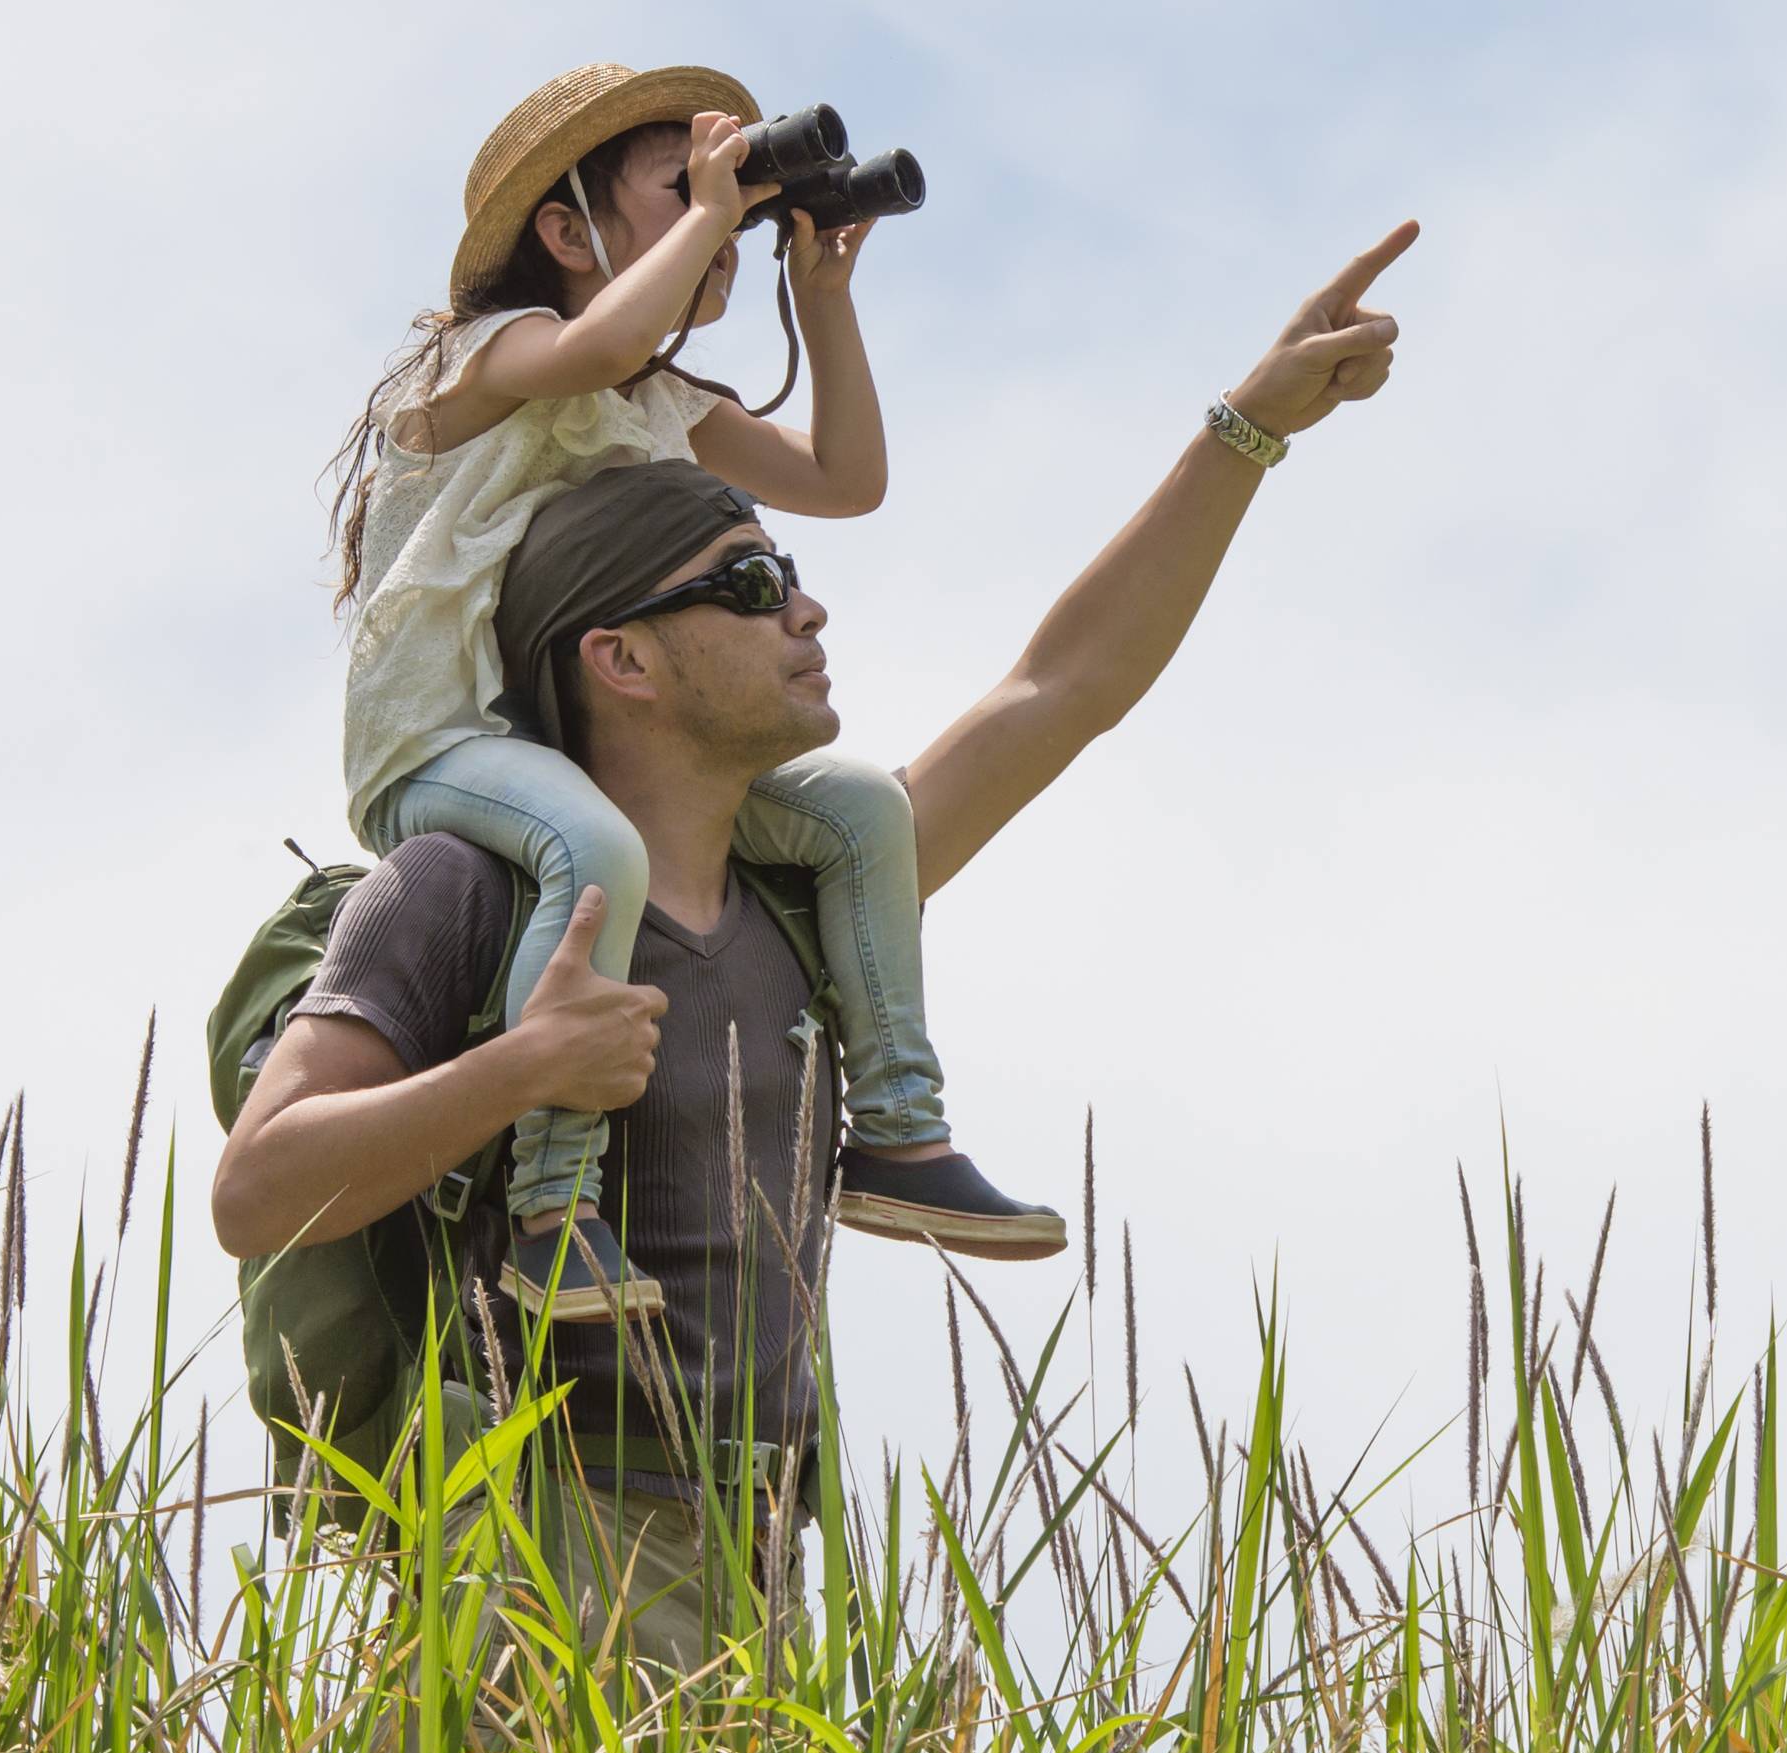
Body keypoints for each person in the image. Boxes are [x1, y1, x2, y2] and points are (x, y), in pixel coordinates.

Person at [217, 221, 1421, 1675]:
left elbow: (1062, 685)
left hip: (762, 1564)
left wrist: (1250, 427)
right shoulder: (457, 892)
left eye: (783, 565)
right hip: (532, 1552)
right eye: (742, 582)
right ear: (622, 658)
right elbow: (262, 1186)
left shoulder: (813, 900)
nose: (804, 603)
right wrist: (527, 1063)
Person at [322, 61, 1026, 1323]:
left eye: (736, 191)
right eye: (682, 185)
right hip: (441, 742)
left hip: (587, 744)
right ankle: (552, 1207)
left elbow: (844, 477)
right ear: (564, 231)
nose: (724, 214)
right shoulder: (494, 356)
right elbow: (596, 341)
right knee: (591, 847)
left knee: (861, 810)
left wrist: (821, 295)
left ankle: (901, 1136)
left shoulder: (660, 401)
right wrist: (717, 211)